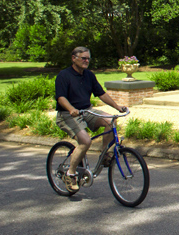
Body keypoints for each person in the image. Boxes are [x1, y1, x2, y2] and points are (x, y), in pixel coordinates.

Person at [54, 46, 127, 192]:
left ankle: (104, 154)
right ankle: (70, 174)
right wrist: (71, 109)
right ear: (74, 58)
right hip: (67, 114)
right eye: (83, 58)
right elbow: (61, 98)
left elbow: (101, 94)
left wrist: (117, 106)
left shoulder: (88, 75)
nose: (86, 61)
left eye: (88, 58)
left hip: (86, 111)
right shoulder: (64, 75)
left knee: (110, 120)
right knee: (85, 141)